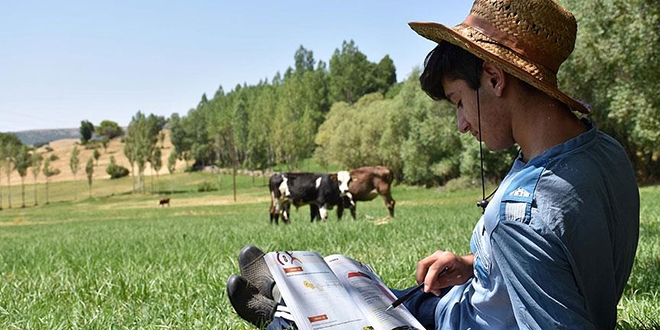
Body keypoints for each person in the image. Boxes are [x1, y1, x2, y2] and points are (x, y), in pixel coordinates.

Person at [226, 0, 640, 328]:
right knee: (370, 292)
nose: (461, 124)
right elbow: (566, 259)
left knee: (336, 320)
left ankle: (284, 314)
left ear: (494, 78)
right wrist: (473, 264)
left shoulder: (522, 212)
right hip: (471, 298)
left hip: (465, 322)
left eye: (460, 101)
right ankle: (292, 296)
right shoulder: (606, 152)